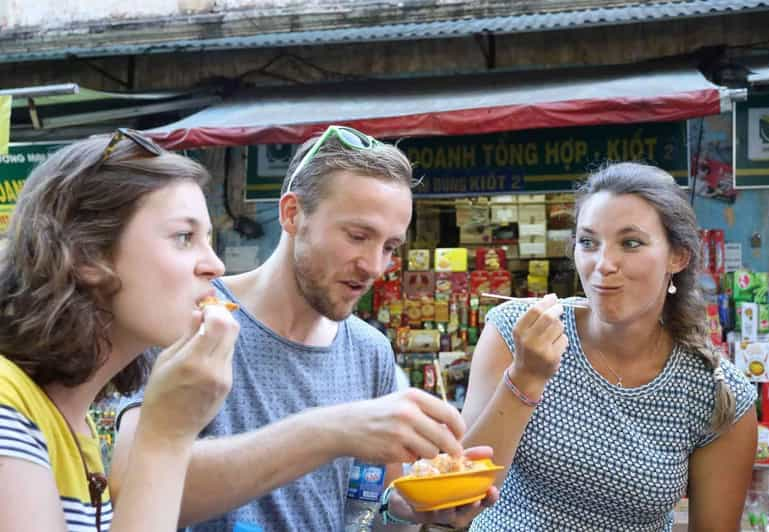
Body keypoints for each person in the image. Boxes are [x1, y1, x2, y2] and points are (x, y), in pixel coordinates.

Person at [112, 125, 497, 532]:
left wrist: (411, 507)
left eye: (389, 247)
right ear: (292, 213)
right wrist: (330, 431)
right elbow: (131, 485)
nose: (374, 267)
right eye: (357, 235)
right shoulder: (199, 319)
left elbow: (369, 506)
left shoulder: (370, 351)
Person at [462, 162, 757, 531]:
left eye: (630, 243)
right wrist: (525, 378)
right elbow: (462, 498)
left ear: (677, 256)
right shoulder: (517, 330)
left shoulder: (716, 391)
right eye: (588, 243)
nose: (603, 264)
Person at [0, 129, 240, 532]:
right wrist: (165, 436)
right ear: (87, 255)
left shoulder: (72, 422)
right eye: (184, 237)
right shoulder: (6, 410)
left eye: (209, 239)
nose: (215, 265)